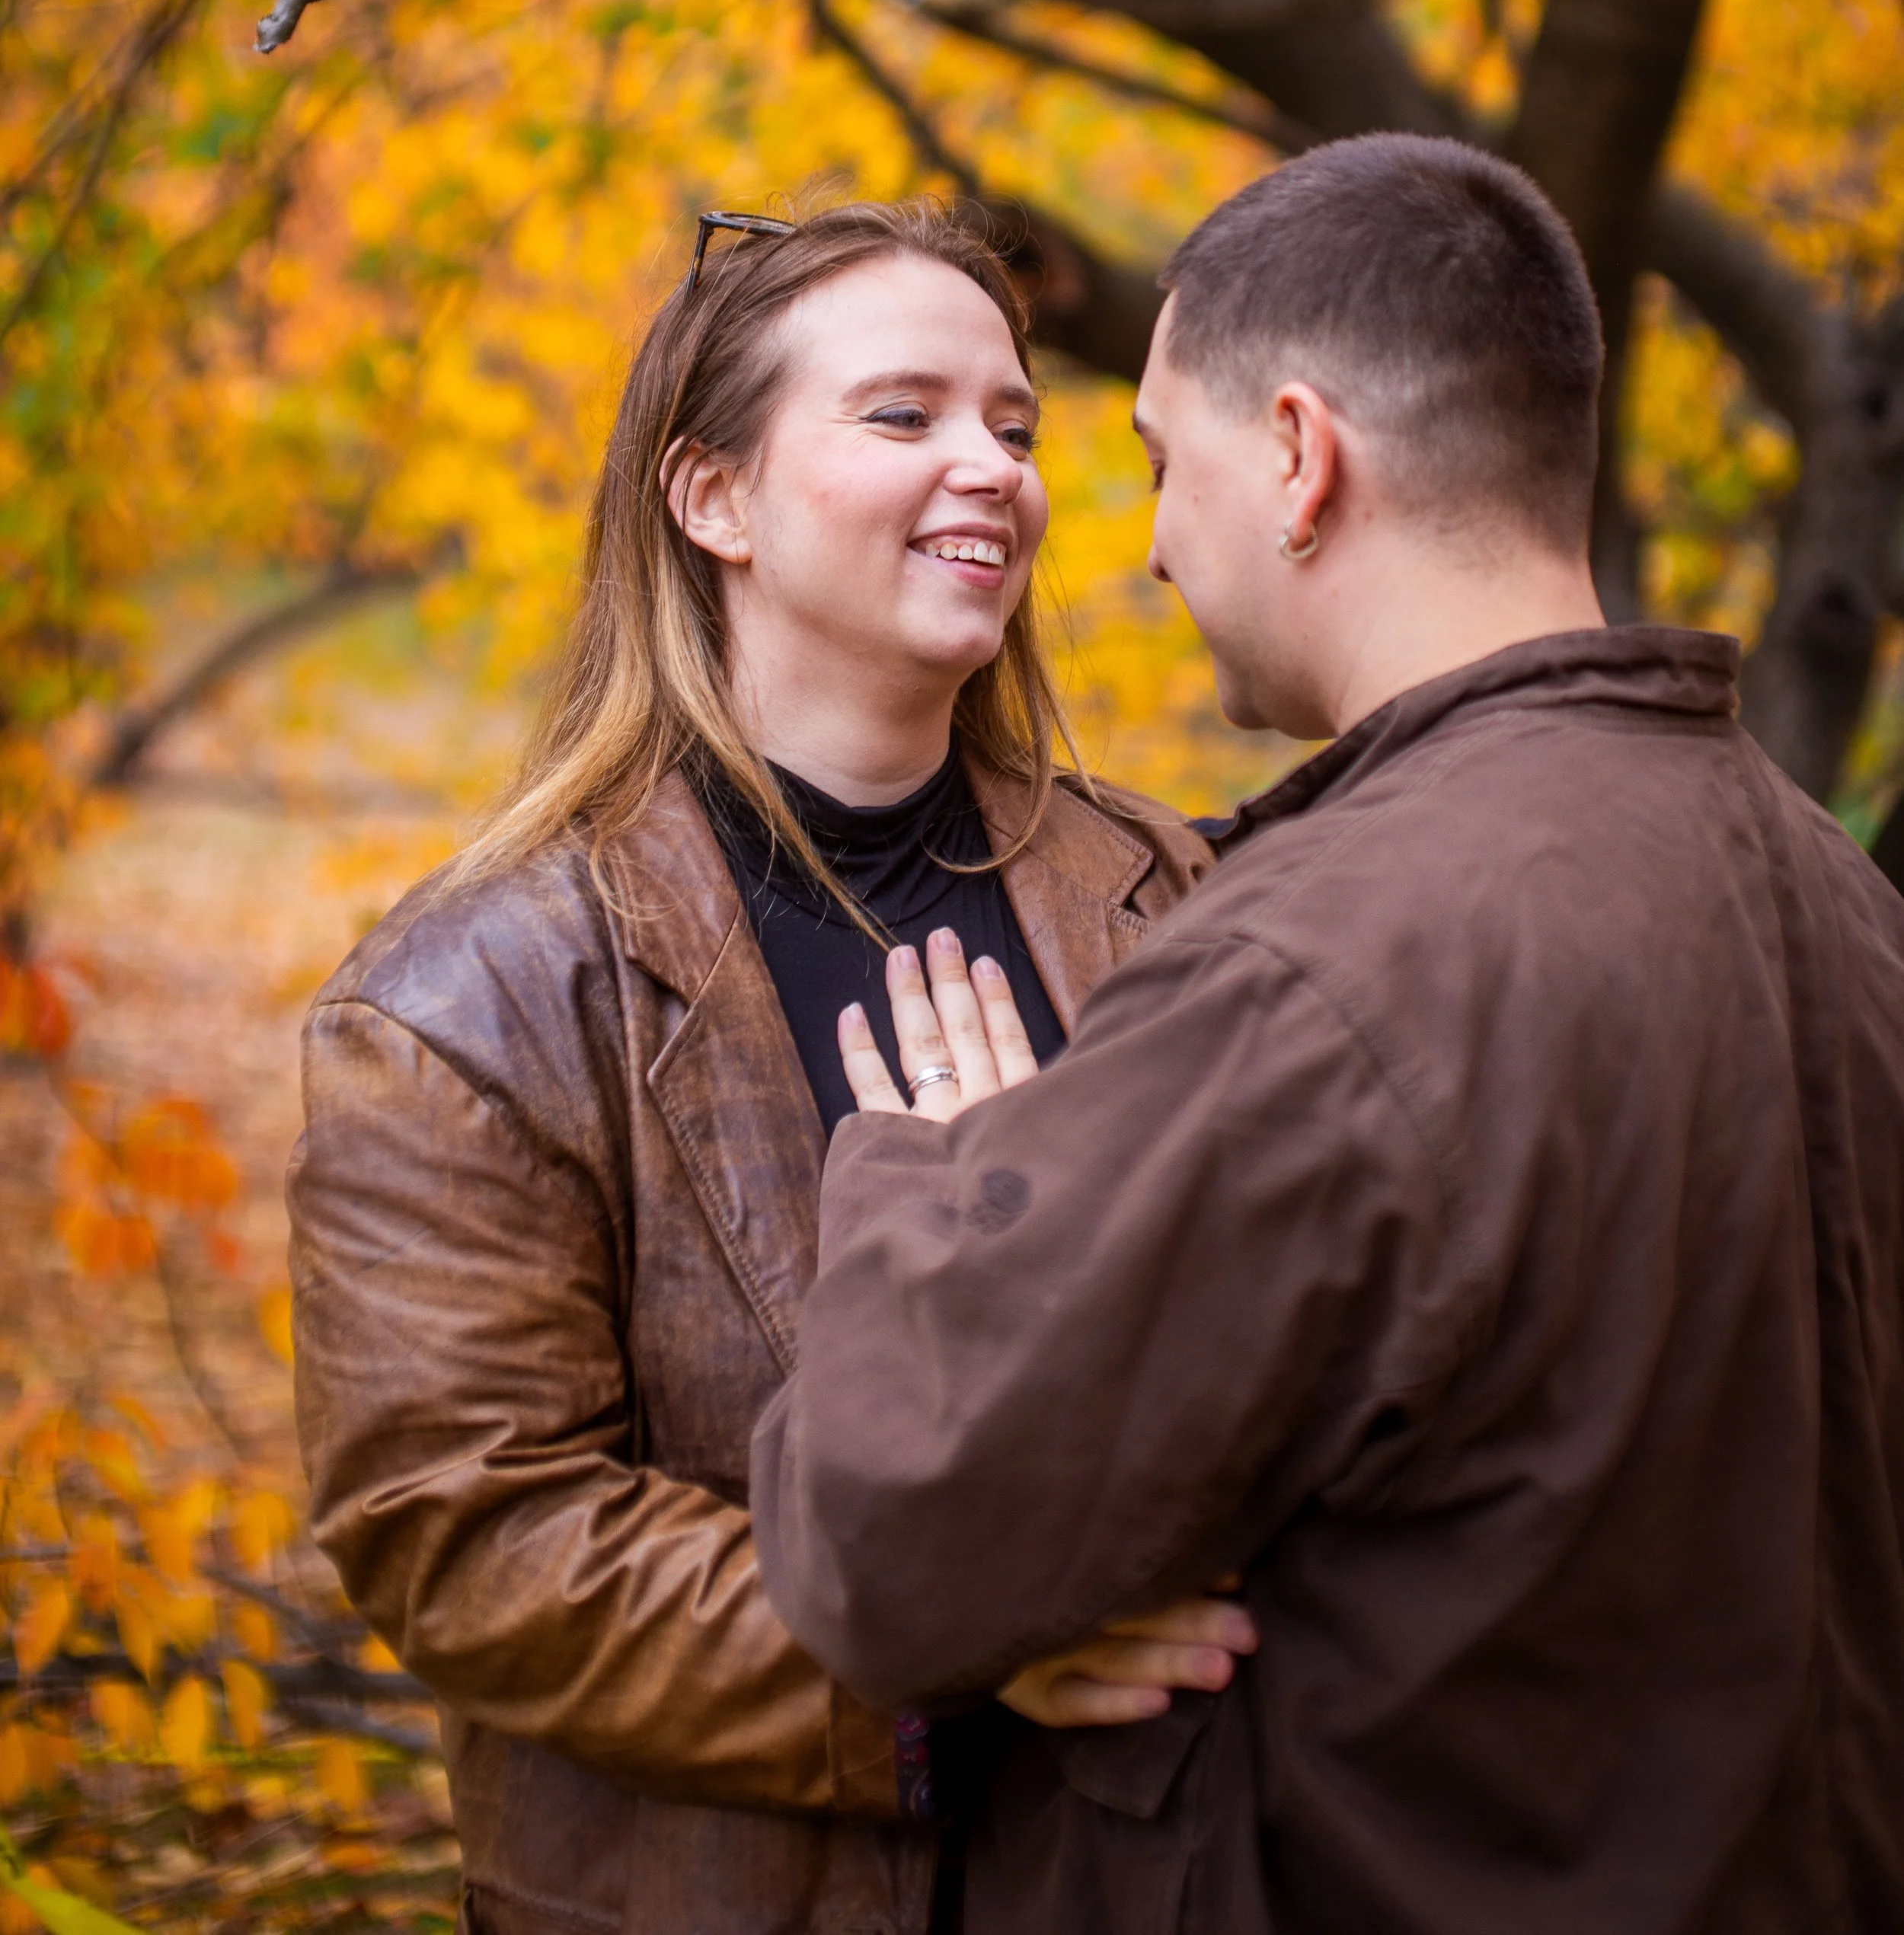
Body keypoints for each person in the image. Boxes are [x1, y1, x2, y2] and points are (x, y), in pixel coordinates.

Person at [751, 136, 1904, 1935]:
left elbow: (892, 1551)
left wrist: (935, 1187)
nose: (1138, 545)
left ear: (1296, 458)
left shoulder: (1327, 964)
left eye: (1151, 460)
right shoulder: (1845, 907)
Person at [285, 199, 1245, 1935]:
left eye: (1014, 426)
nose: (991, 468)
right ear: (708, 495)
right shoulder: (475, 995)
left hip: (1136, 1871)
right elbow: (467, 1533)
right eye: (904, 416)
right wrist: (942, 1652)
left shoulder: (1167, 897)